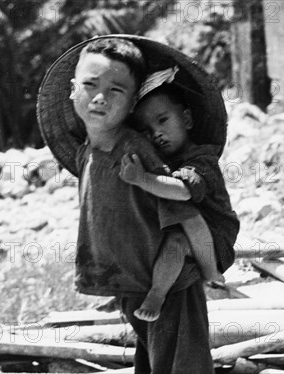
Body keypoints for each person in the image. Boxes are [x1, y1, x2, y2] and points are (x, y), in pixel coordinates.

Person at [67, 37, 214, 374]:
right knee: (151, 363)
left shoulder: (136, 154)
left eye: (116, 90)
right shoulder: (86, 153)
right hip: (133, 286)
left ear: (132, 102)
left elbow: (184, 214)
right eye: (90, 84)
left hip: (169, 287)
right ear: (74, 89)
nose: (101, 97)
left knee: (183, 365)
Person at [120, 81, 240, 322]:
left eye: (162, 120)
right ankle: (148, 291)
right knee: (173, 240)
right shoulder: (165, 165)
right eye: (147, 130)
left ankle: (210, 275)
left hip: (217, 238)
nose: (156, 134)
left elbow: (184, 191)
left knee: (184, 210)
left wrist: (142, 178)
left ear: (186, 120)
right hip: (182, 235)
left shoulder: (201, 160)